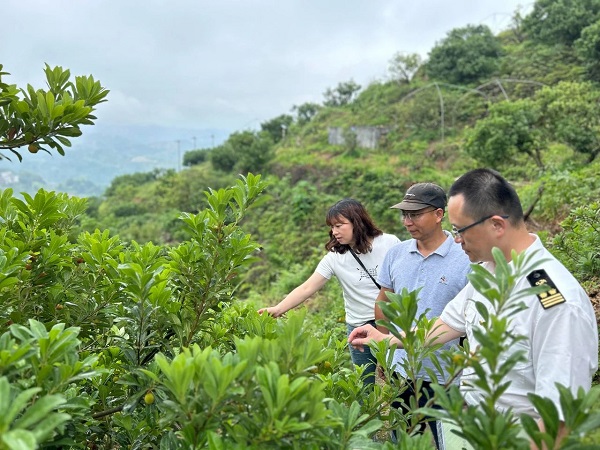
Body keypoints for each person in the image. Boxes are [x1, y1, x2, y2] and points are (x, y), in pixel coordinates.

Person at [349, 168, 599, 447]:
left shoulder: (555, 301)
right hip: (475, 427)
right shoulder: (488, 273)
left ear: (496, 225)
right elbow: (445, 326)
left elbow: (558, 418)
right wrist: (386, 339)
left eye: (460, 230)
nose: (456, 239)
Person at [259, 198, 400, 385]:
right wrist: (278, 309)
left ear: (357, 222)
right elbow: (307, 287)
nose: (334, 232)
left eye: (339, 225)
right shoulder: (335, 257)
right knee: (364, 384)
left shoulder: (389, 243)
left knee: (400, 379)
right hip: (359, 326)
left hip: (391, 321)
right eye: (332, 227)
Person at [374, 183, 471, 447]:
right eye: (404, 214)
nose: (407, 221)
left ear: (439, 214)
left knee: (447, 443)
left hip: (446, 374)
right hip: (401, 370)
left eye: (414, 214)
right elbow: (383, 303)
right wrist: (385, 352)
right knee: (404, 440)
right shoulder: (396, 254)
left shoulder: (465, 256)